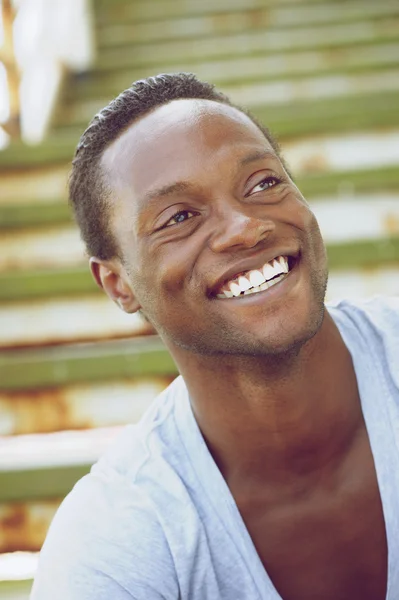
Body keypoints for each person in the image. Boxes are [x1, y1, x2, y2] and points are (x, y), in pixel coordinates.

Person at [31, 73, 398, 600]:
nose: (245, 227)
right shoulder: (117, 542)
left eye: (264, 183)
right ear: (118, 283)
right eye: (179, 217)